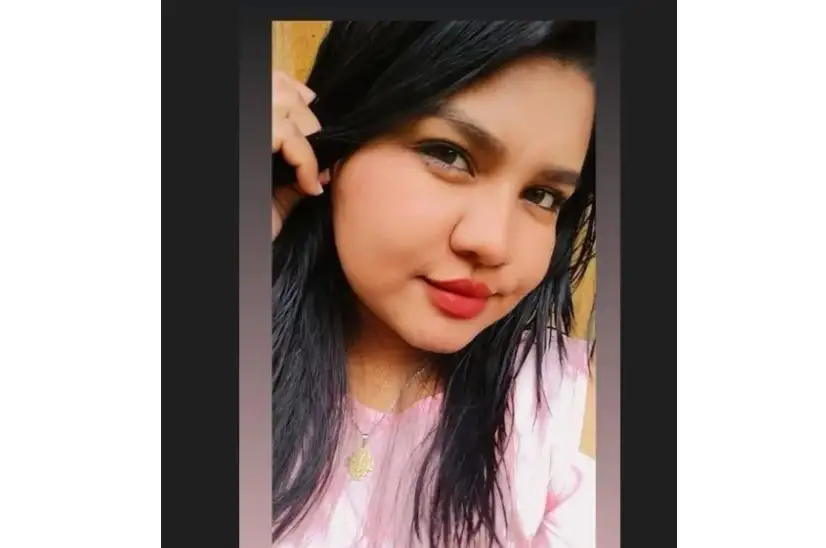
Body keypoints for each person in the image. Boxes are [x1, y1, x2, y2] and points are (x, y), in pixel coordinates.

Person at [271, 21, 596, 548]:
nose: (492, 242)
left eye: (541, 196)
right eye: (448, 155)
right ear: (333, 146)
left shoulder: (569, 408)